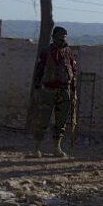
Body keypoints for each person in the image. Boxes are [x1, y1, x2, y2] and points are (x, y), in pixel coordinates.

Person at [30, 26, 78, 157]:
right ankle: (36, 148)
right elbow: (39, 71)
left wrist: (74, 91)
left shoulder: (69, 52)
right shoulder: (46, 52)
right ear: (54, 37)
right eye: (60, 36)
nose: (62, 39)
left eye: (64, 36)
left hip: (64, 90)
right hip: (48, 90)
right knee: (42, 119)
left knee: (61, 121)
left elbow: (73, 72)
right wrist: (36, 88)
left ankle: (57, 147)